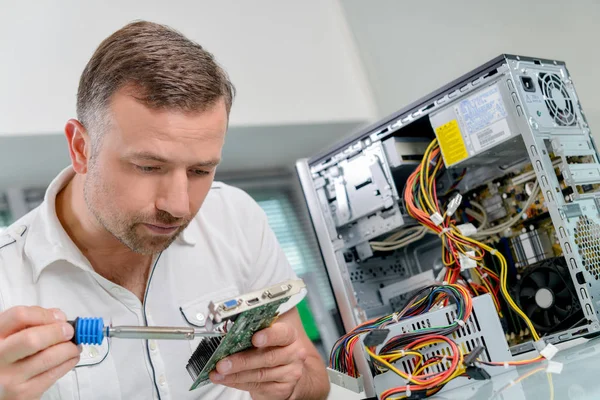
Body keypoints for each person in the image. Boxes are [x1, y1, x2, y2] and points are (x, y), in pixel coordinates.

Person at [0, 21, 330, 400]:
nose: (178, 205)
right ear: (80, 148)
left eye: (200, 171)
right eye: (148, 167)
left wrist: (291, 384)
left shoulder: (236, 216)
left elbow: (311, 377)